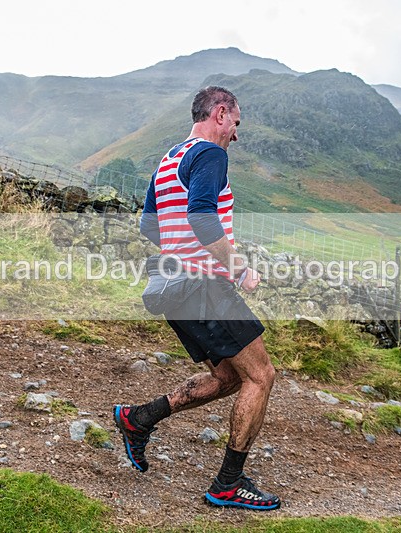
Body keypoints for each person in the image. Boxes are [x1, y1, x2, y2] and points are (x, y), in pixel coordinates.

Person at [114, 86, 281, 510]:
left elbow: (149, 226)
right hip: (205, 285)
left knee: (229, 377)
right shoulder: (209, 153)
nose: (236, 136)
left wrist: (180, 249)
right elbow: (203, 216)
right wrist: (239, 268)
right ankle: (229, 483)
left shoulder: (171, 157)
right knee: (261, 376)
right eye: (236, 124)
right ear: (220, 114)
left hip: (175, 288)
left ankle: (139, 419)